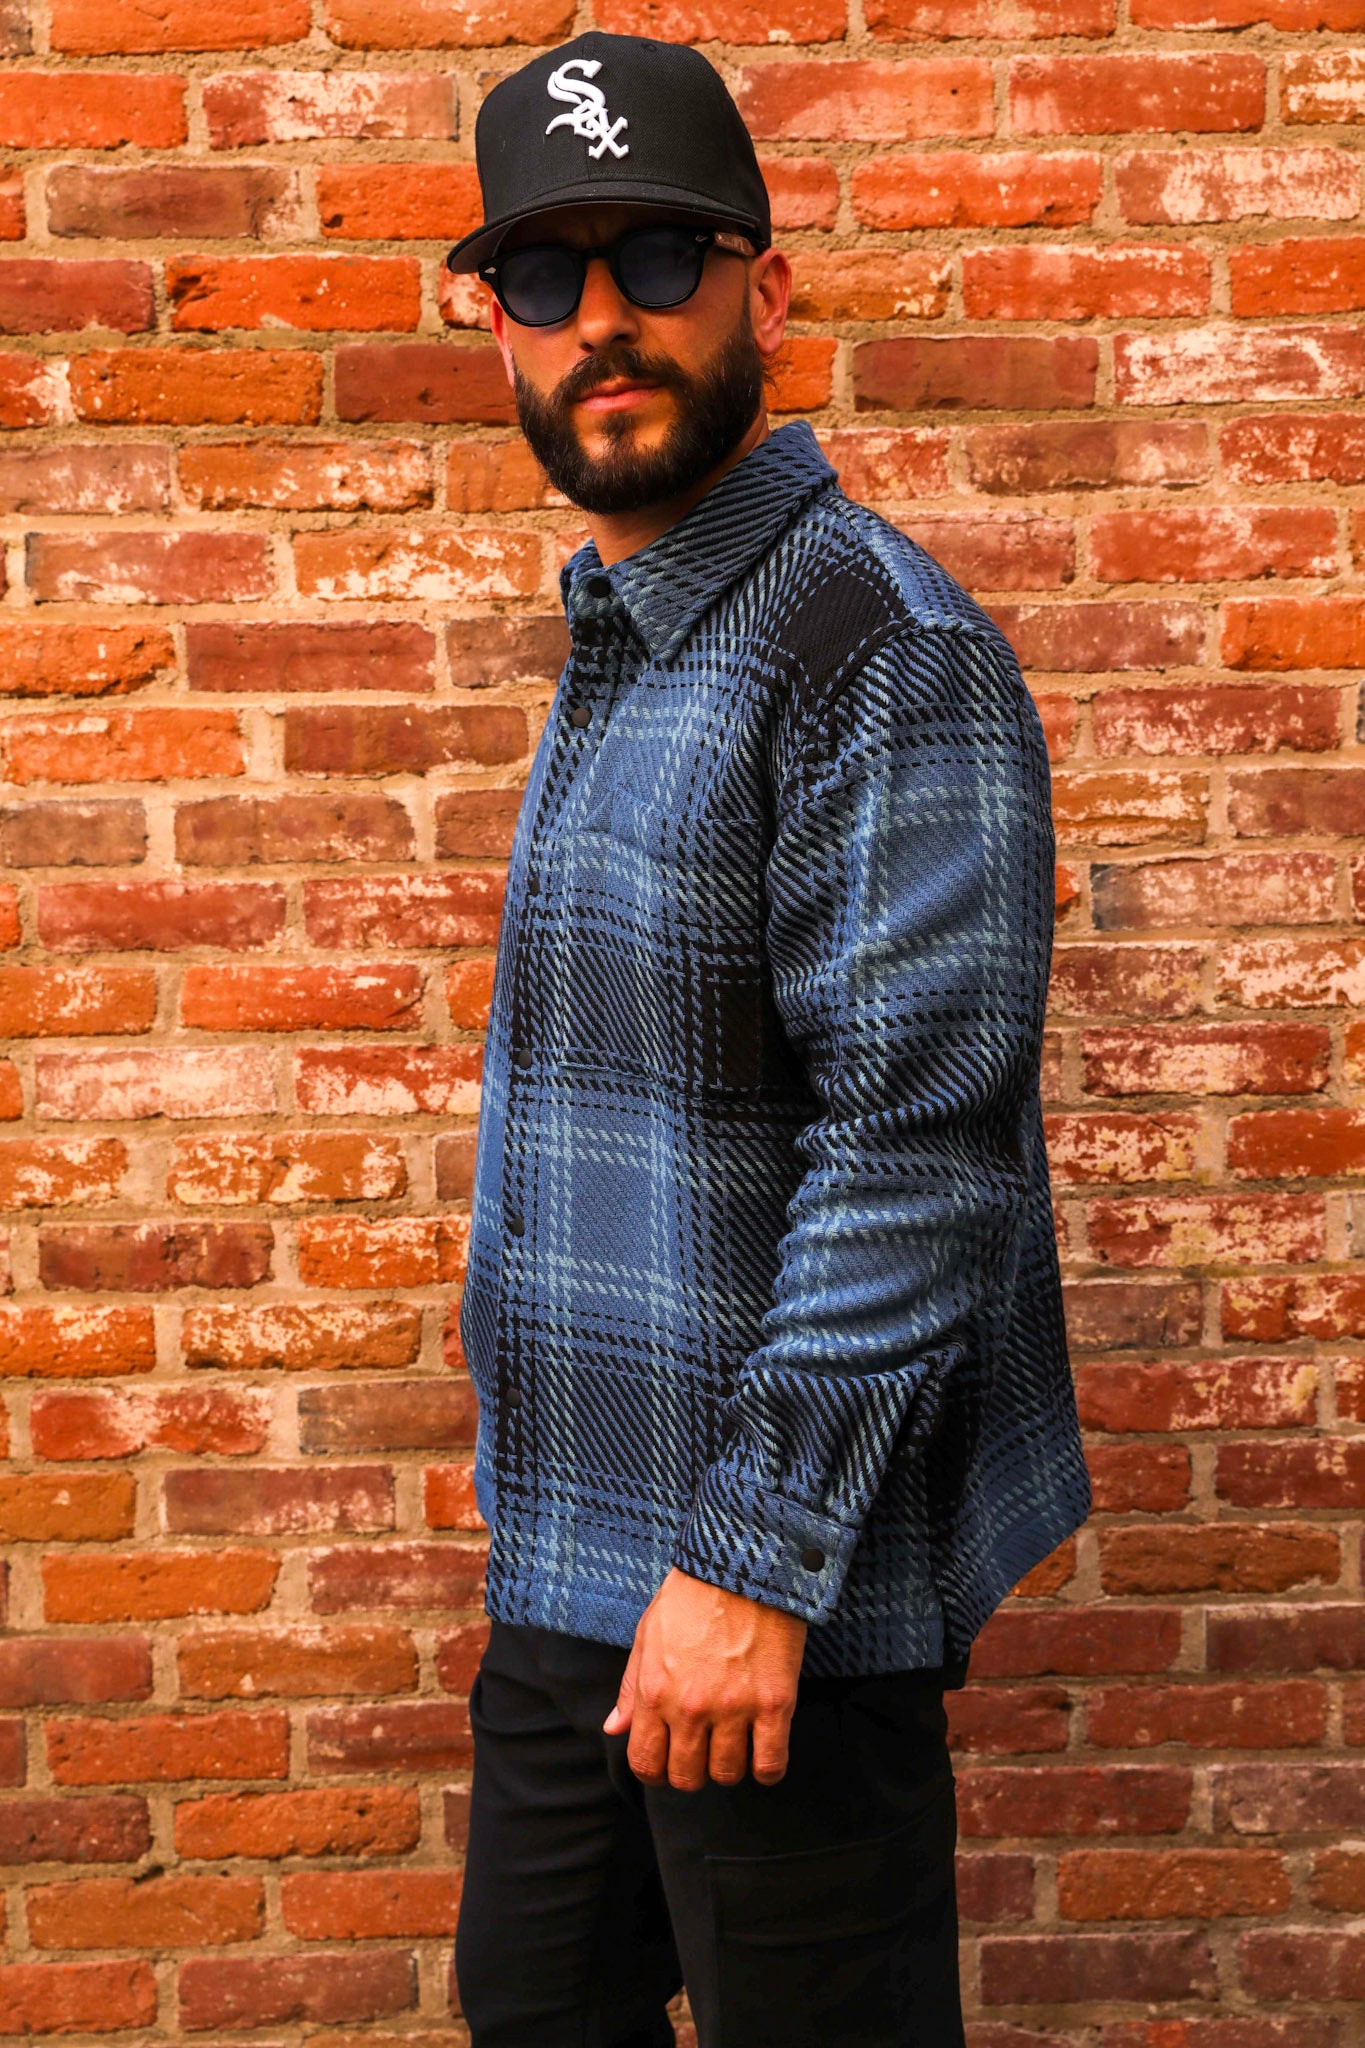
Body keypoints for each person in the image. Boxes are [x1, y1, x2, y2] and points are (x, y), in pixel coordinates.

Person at [444, 29, 1090, 2047]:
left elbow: (918, 1151)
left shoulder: (872, 647)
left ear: (765, 288)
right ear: (493, 326)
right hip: (572, 1562)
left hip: (765, 1608)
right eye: (545, 277)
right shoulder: (630, 636)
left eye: (657, 253)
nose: (604, 319)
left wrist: (752, 1566)